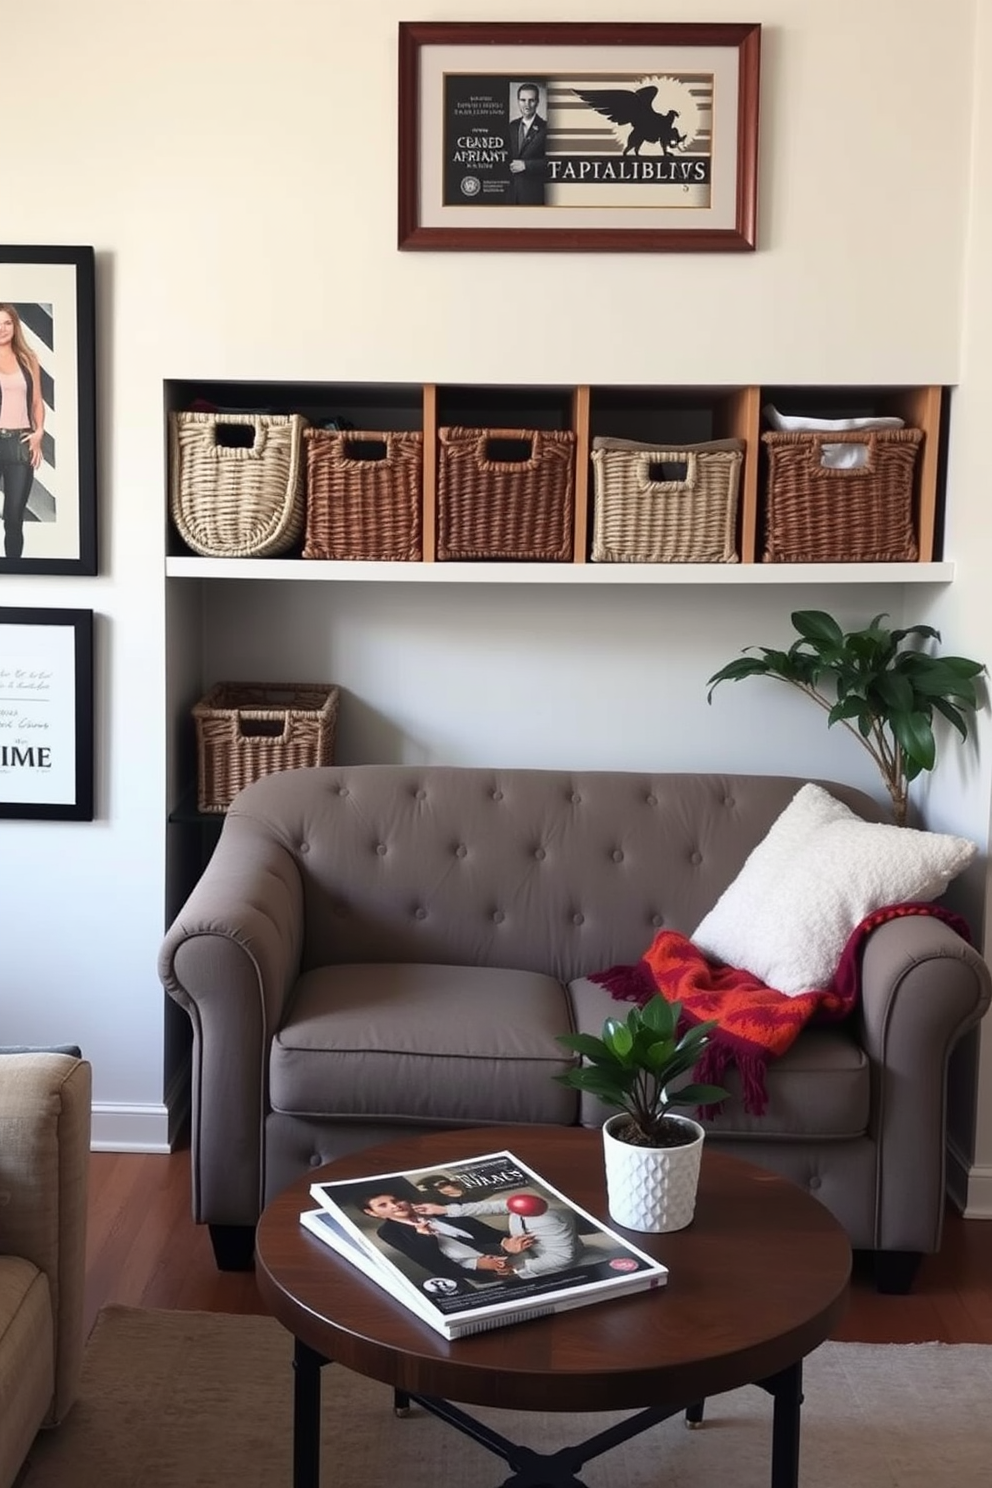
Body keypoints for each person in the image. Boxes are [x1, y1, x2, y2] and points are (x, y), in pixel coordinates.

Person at [414, 1191, 584, 1278]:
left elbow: (563, 1257)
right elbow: (495, 1207)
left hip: (550, 1265)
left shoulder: (549, 1221)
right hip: (525, 1251)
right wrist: (446, 1210)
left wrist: (518, 1269)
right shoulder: (525, 1206)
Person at [360, 1189, 516, 1283]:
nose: (395, 1206)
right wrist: (425, 1236)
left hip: (503, 1248)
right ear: (372, 1213)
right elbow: (430, 1261)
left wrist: (504, 1242)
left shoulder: (434, 1210)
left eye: (395, 1200)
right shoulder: (389, 1232)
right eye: (383, 1205)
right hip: (478, 1272)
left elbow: (480, 1230)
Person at [0, 304, 45, 561]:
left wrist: (38, 433)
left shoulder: (28, 358)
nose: (1, 329)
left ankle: (13, 568)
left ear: (15, 325)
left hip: (20, 443)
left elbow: (37, 402)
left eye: (7, 323)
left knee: (14, 518)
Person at [508, 82, 548, 205]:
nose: (527, 105)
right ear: (517, 101)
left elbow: (554, 162)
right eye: (523, 100)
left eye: (531, 100)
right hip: (510, 194)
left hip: (533, 194)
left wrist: (527, 165)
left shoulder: (546, 128)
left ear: (537, 102)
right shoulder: (512, 126)